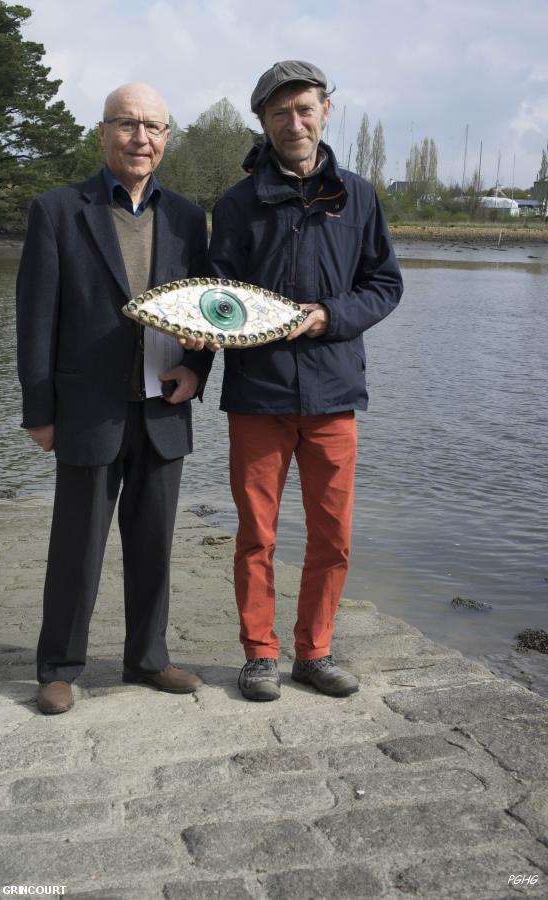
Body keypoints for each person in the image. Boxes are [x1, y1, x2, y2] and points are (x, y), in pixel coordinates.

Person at [208, 61, 403, 701]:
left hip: (334, 395)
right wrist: (203, 337)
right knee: (256, 535)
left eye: (305, 108)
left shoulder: (360, 196)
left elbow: (384, 286)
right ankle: (259, 654)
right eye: (280, 111)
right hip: (257, 396)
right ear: (262, 121)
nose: (295, 121)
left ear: (326, 110)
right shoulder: (235, 205)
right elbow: (219, 299)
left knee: (333, 536)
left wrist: (329, 317)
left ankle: (313, 652)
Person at [16, 82, 212, 715]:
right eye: (127, 125)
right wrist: (39, 412)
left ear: (166, 139)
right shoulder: (58, 210)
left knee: (154, 543)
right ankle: (59, 666)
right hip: (87, 409)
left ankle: (148, 657)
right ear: (102, 134)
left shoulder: (186, 217)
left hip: (162, 406)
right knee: (78, 545)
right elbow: (36, 318)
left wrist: (198, 369)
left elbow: (209, 307)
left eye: (153, 127)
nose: (141, 138)